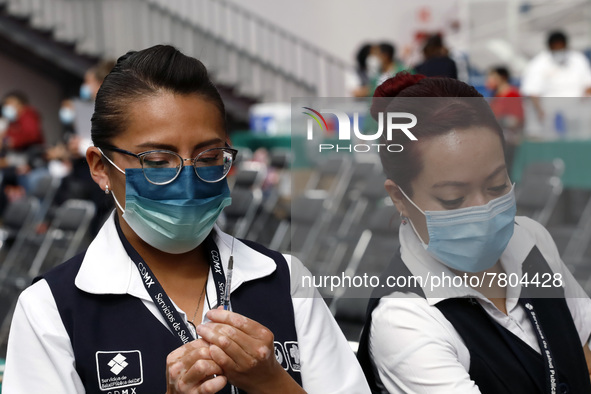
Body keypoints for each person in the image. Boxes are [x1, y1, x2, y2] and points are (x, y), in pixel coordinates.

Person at [3, 45, 371, 394]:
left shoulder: (283, 280)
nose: (188, 180)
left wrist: (272, 382)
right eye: (158, 161)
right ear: (101, 167)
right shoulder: (53, 309)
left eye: (209, 157)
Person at [357, 72, 591, 393]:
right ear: (400, 198)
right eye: (453, 199)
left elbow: (583, 351)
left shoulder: (530, 240)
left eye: (496, 186)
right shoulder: (405, 320)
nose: (484, 208)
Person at [521, 31, 591, 122]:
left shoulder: (578, 59)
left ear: (566, 45)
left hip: (577, 111)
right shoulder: (538, 63)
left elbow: (588, 85)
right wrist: (540, 112)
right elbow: (532, 92)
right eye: (555, 47)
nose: (558, 50)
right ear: (549, 47)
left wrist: (584, 104)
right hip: (549, 113)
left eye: (561, 47)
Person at [486, 66, 524, 173]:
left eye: (492, 77)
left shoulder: (512, 94)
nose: (489, 80)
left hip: (508, 141)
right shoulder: (496, 96)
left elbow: (516, 120)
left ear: (502, 77)